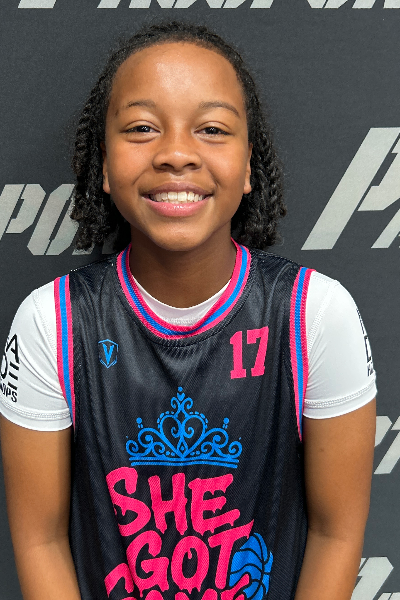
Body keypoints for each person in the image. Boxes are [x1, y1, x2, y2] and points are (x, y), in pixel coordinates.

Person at [0, 20, 376, 600]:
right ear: (104, 165)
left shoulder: (317, 314)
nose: (176, 153)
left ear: (248, 166)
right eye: (142, 128)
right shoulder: (52, 321)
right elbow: (39, 540)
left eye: (212, 129)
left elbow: (336, 533)